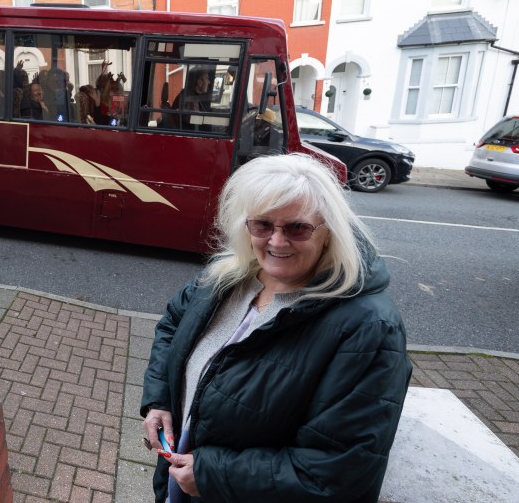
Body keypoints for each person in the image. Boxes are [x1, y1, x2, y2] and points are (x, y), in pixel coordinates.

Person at [141, 153, 411, 503]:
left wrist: (213, 475)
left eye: (297, 227)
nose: (277, 242)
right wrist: (160, 400)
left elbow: (339, 470)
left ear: (328, 230)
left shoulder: (369, 329)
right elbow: (173, 325)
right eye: (263, 225)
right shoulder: (226, 277)